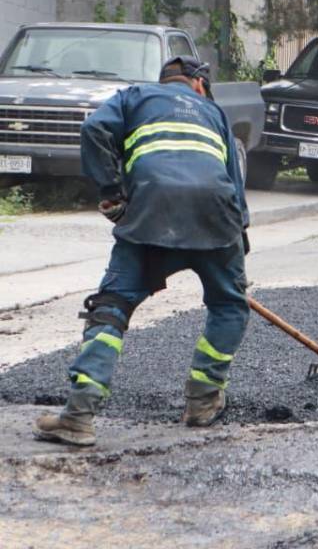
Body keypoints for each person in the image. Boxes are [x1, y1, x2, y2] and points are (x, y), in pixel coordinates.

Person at [33, 57, 251, 446]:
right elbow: (234, 175)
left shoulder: (134, 96)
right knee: (229, 306)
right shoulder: (214, 112)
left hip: (151, 211)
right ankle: (203, 401)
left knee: (112, 306)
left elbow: (94, 127)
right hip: (217, 217)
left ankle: (79, 415)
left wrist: (111, 193)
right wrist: (239, 240)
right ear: (199, 85)